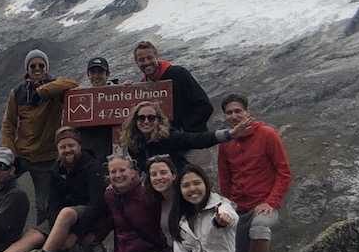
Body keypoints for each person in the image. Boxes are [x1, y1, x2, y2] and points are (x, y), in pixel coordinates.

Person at [216, 94, 292, 252]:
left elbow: (284, 172)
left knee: (260, 228)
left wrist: (271, 201)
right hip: (238, 206)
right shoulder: (226, 143)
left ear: (247, 111)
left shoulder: (267, 134)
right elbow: (225, 178)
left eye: (238, 111)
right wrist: (227, 205)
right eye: (229, 112)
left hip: (264, 205)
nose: (234, 116)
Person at [1, 48, 78, 224]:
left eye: (41, 65)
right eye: (33, 65)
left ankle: (40, 241)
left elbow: (73, 84)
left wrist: (43, 91)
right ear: (27, 69)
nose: (37, 69)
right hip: (22, 155)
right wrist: (8, 153)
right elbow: (8, 124)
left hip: (46, 158)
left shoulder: (56, 88)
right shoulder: (18, 92)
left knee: (43, 205)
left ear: (46, 67)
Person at [118, 100, 251, 172]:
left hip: (181, 183)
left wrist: (229, 134)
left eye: (151, 118)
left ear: (158, 120)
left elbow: (197, 139)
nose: (146, 121)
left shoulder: (169, 137)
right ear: (135, 121)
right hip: (157, 186)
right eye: (141, 118)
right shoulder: (134, 144)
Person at [131, 40, 213, 134]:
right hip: (165, 143)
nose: (146, 62)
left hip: (192, 139)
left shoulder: (179, 74)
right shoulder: (143, 86)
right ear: (136, 63)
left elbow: (205, 106)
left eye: (149, 58)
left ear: (156, 57)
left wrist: (184, 131)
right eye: (141, 60)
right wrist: (128, 89)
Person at [79, 56, 119, 160]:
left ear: (107, 74)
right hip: (90, 158)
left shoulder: (119, 95)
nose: (96, 76)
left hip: (114, 157)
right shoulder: (81, 99)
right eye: (93, 72)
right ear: (88, 75)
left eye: (100, 72)